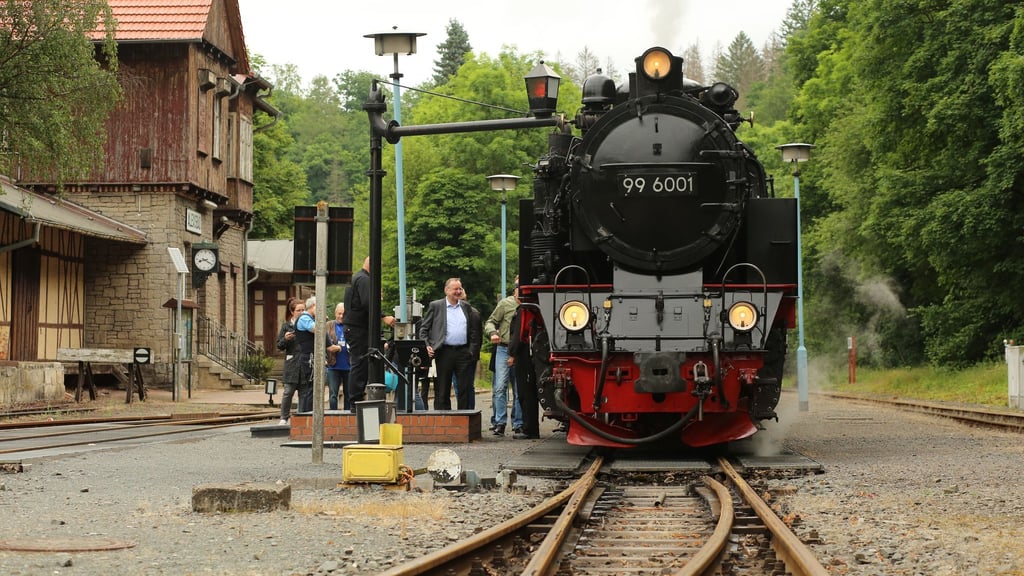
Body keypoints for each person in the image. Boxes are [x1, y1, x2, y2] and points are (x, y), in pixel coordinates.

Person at [418, 278, 481, 410]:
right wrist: (427, 345)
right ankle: (443, 417)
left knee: (464, 389)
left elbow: (473, 331)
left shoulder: (466, 307)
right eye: (455, 289)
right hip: (443, 352)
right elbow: (424, 329)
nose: (458, 292)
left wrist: (471, 350)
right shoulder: (436, 306)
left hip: (463, 352)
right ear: (447, 290)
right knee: (442, 389)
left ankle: (463, 417)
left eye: (460, 289)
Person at [343, 256, 395, 409]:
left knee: (361, 363)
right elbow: (368, 302)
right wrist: (384, 316)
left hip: (356, 327)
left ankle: (357, 399)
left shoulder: (357, 278)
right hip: (358, 329)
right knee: (360, 363)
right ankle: (355, 401)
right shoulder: (364, 280)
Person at [484, 278, 524, 437]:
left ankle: (518, 423)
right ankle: (500, 422)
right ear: (515, 289)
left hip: (520, 350)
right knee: (500, 386)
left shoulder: (529, 305)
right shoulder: (505, 304)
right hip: (503, 348)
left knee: (519, 389)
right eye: (518, 287)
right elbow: (490, 322)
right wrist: (493, 333)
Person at [275, 297, 305, 425]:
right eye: (299, 310)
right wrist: (286, 339)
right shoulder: (286, 326)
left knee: (304, 393)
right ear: (292, 312)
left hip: (304, 364)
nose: (301, 313)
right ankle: (284, 417)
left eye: (303, 310)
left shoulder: (307, 325)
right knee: (288, 392)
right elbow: (279, 345)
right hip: (291, 364)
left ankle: (301, 417)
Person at [293, 295, 317, 413]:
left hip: (311, 355)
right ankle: (307, 413)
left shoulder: (310, 318)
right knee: (311, 386)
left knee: (313, 386)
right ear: (313, 306)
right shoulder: (304, 318)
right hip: (308, 356)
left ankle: (309, 411)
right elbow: (316, 329)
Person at [326, 302, 351, 411]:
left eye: (343, 314)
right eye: (339, 313)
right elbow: (322, 343)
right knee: (333, 394)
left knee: (348, 394)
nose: (341, 316)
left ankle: (347, 415)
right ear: (335, 313)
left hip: (349, 365)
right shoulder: (329, 325)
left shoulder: (351, 326)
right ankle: (333, 414)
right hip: (333, 365)